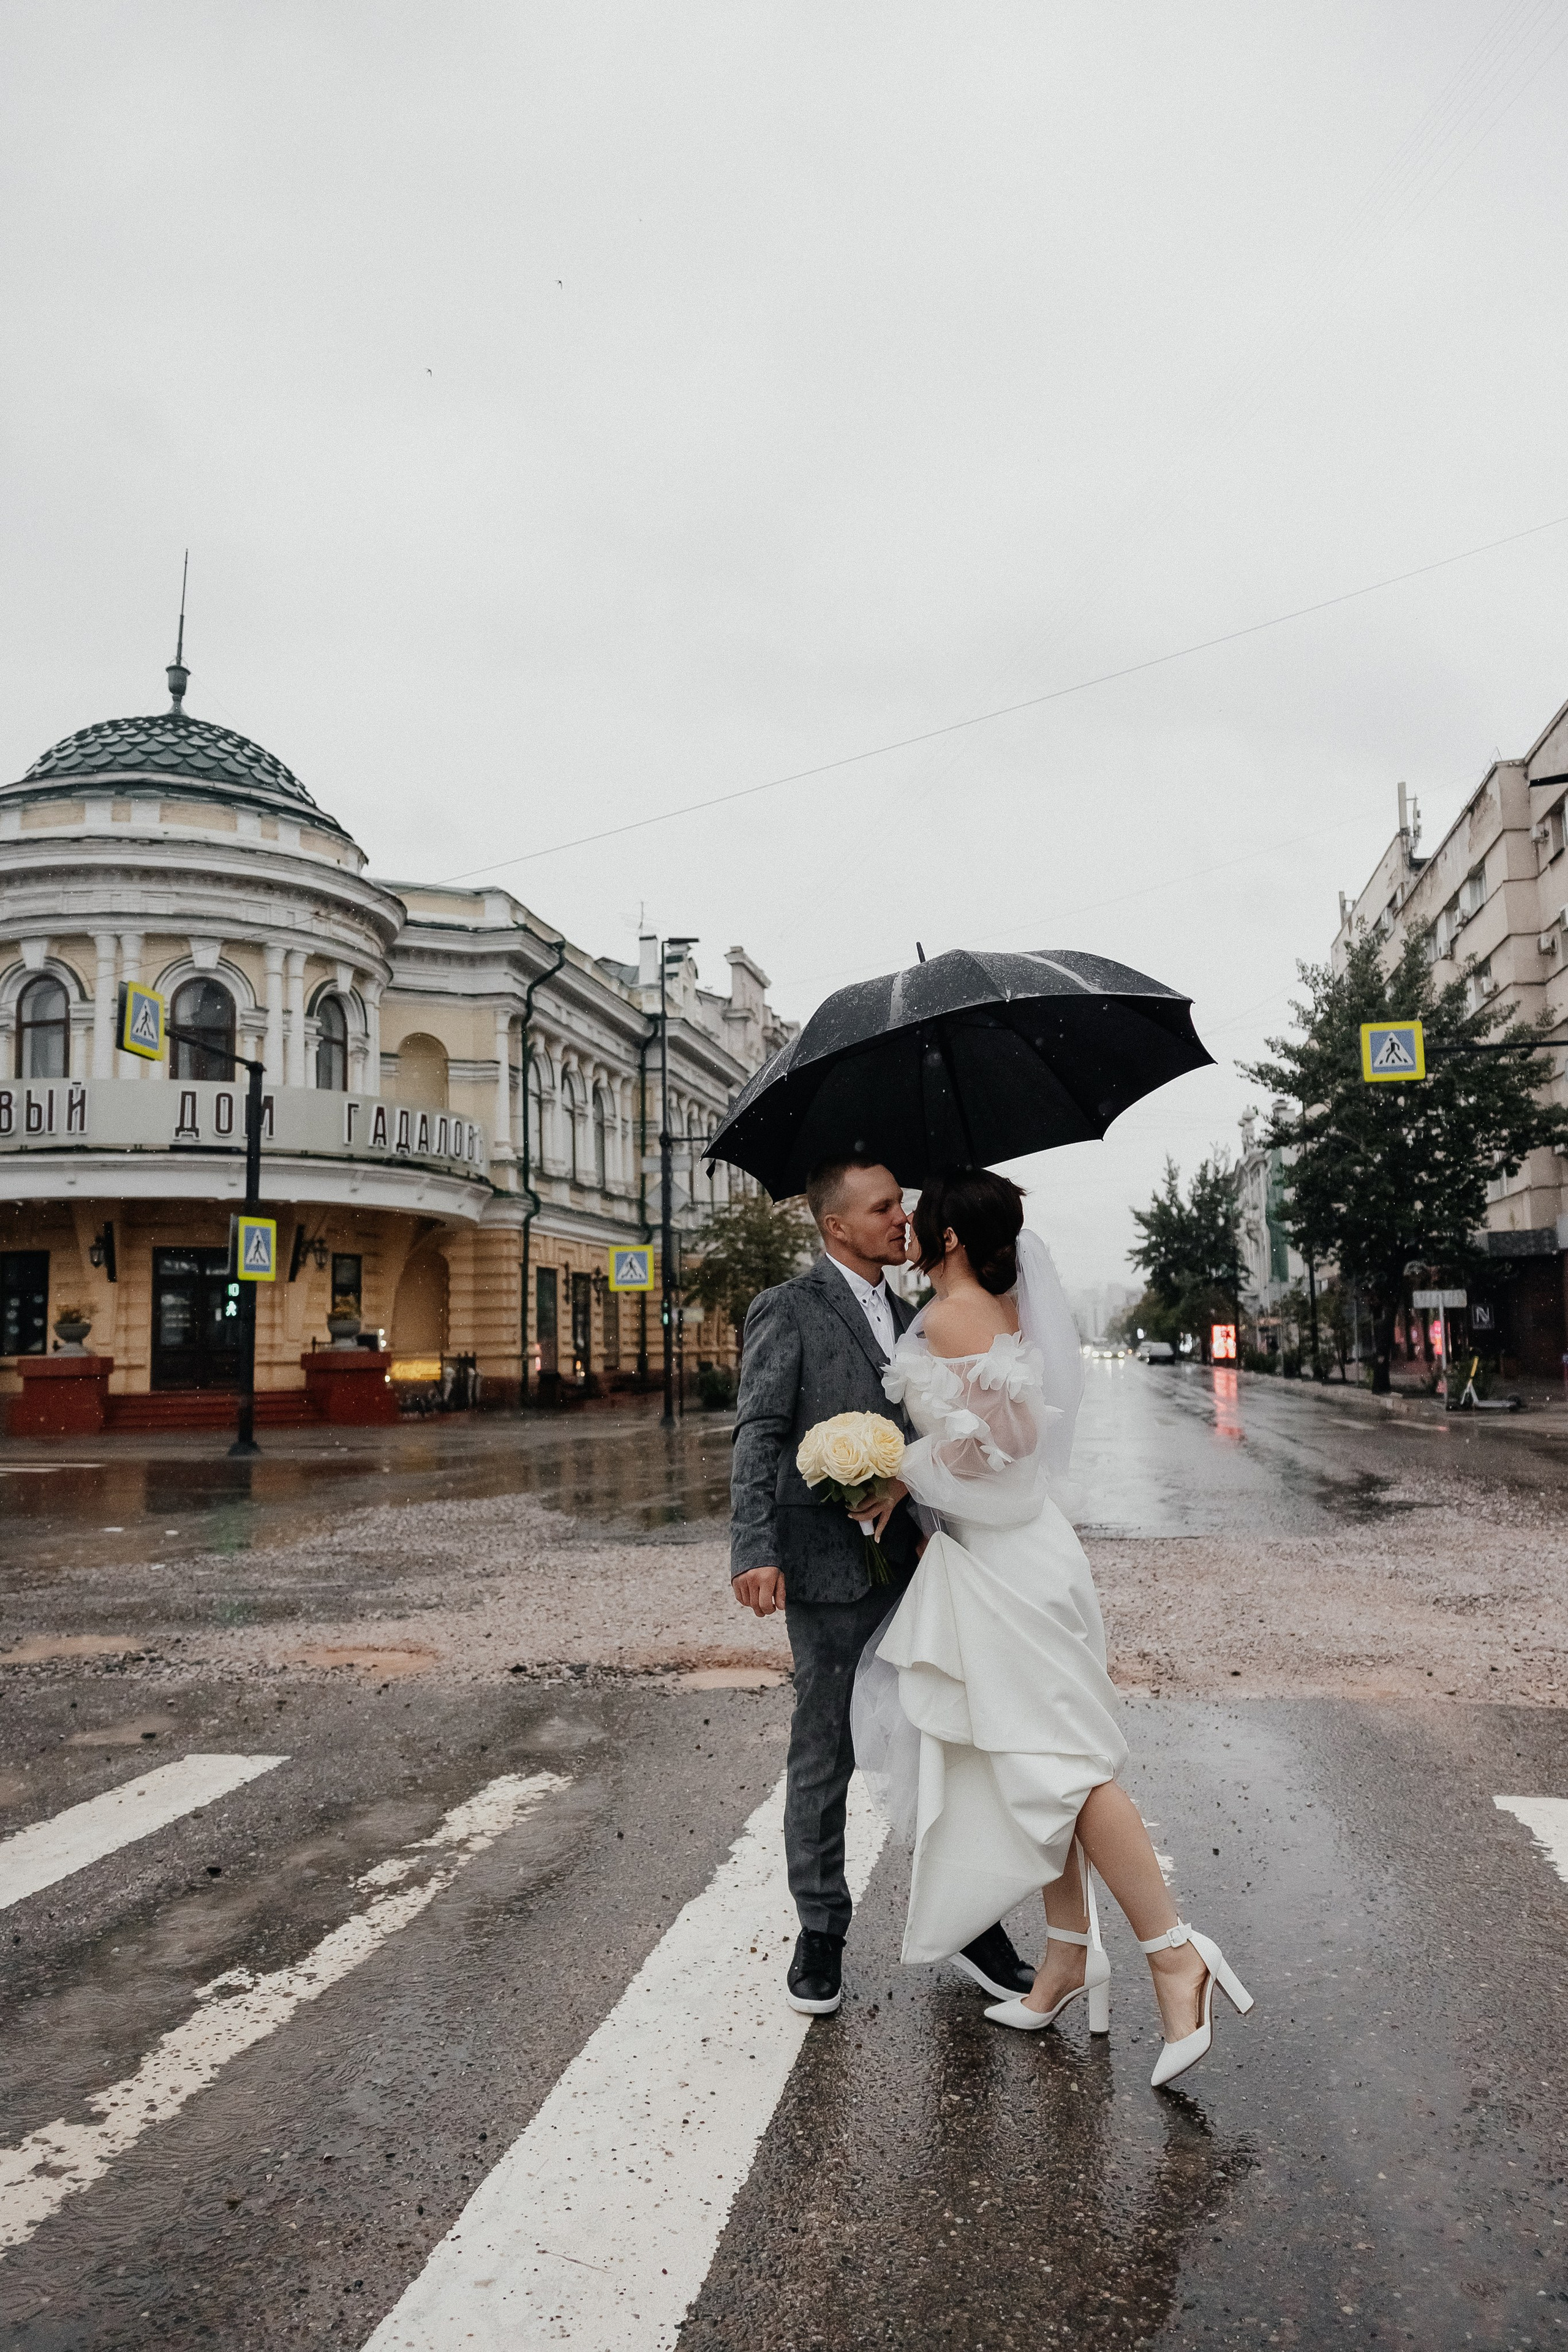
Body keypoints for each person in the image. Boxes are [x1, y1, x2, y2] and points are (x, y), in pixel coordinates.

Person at [853, 1165, 1253, 2089]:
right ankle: (1069, 1958)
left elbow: (1009, 1449)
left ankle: (1174, 1953)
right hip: (1010, 1557)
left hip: (1008, 1565)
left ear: (951, 1237)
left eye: (923, 1216)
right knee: (1041, 1763)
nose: (908, 1225)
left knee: (1066, 1766)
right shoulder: (984, 1308)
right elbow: (996, 1442)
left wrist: (903, 1470)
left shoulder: (958, 1316)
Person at [731, 1158, 1039, 2019]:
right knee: (823, 1749)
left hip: (916, 1563)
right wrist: (754, 1550)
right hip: (824, 1569)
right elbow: (758, 1434)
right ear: (836, 1227)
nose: (903, 1216)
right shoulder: (787, 1310)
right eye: (883, 1207)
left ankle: (972, 1926)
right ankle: (820, 1933)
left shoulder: (921, 1315)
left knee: (941, 1745)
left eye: (902, 1201)